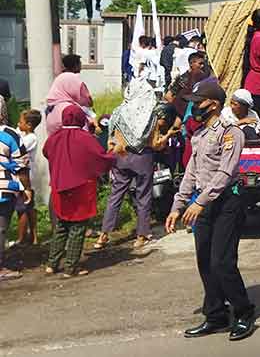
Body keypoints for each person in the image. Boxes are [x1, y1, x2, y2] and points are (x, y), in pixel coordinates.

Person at [165, 80, 255, 341]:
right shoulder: (199, 134)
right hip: (203, 202)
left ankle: (243, 312)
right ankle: (215, 315)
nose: (194, 108)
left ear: (214, 104)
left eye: (198, 103)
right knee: (204, 260)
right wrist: (177, 206)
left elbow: (226, 173)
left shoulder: (231, 132)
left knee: (222, 261)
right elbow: (191, 173)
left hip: (227, 202)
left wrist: (199, 201)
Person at [42, 103, 116, 278]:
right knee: (77, 226)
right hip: (80, 188)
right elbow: (100, 157)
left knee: (61, 225)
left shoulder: (54, 137)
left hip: (59, 187)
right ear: (80, 118)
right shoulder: (85, 137)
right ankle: (71, 267)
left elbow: (46, 152)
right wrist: (113, 153)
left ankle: (51, 264)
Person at [96, 74, 159, 249]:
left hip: (121, 157)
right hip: (143, 158)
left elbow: (111, 138)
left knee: (115, 195)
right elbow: (154, 142)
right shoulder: (150, 114)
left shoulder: (117, 111)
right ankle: (141, 235)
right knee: (143, 196)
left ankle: (103, 235)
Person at [0, 110, 32, 280]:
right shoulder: (10, 134)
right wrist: (26, 188)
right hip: (3, 188)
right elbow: (21, 165)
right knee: (0, 228)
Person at [44, 54, 94, 137]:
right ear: (76, 65)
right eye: (80, 63)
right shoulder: (74, 78)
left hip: (52, 114)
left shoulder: (59, 77)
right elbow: (86, 99)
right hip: (67, 113)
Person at [12, 109, 41, 247]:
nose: (19, 123)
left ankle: (21, 238)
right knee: (29, 208)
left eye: (21, 122)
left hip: (26, 177)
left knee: (22, 207)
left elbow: (16, 148)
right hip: (25, 175)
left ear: (29, 125)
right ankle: (33, 237)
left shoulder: (31, 138)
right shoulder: (24, 135)